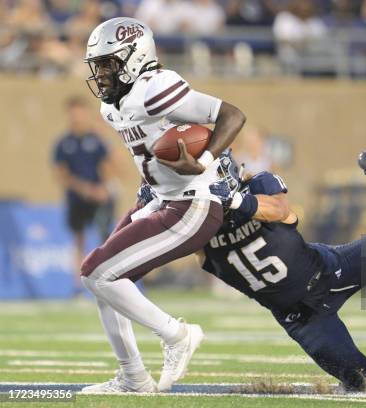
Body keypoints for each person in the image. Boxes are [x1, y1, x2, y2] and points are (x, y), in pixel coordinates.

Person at [80, 17, 246, 393]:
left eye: (109, 63)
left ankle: (178, 335)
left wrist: (203, 162)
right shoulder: (113, 107)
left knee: (96, 272)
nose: (101, 73)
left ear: (136, 57)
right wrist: (147, 193)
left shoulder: (155, 88)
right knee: (105, 281)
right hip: (161, 199)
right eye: (98, 65)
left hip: (193, 203)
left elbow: (231, 116)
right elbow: (150, 156)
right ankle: (134, 378)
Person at [195, 139, 366, 391]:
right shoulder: (195, 227)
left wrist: (235, 201)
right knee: (362, 384)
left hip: (331, 270)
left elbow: (281, 210)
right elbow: (162, 243)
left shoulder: (257, 185)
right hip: (302, 319)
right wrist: (153, 208)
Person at [52, 96, 114, 294]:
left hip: (98, 197)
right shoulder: (63, 143)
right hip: (77, 197)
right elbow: (61, 175)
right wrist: (84, 189)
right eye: (73, 112)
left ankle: (108, 280)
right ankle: (77, 286)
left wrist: (103, 189)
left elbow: (110, 166)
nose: (77, 116)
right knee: (78, 239)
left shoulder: (96, 140)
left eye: (80, 111)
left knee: (106, 238)